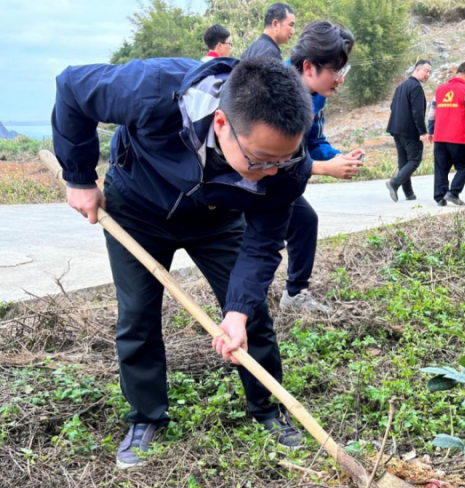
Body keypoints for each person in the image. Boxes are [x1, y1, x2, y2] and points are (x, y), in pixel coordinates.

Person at [52, 57, 314, 467]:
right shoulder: (154, 89)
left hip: (219, 218)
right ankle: (145, 417)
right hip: (137, 208)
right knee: (137, 314)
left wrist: (237, 313)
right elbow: (72, 87)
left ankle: (268, 409)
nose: (271, 171)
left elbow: (263, 244)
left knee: (252, 313)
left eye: (282, 159)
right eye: (260, 160)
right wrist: (80, 178)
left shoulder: (289, 167)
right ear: (223, 124)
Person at [280, 20, 364, 314]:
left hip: (284, 182)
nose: (340, 80)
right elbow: (268, 160)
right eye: (335, 71)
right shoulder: (275, 95)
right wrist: (321, 168)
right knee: (257, 243)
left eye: (343, 71)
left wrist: (337, 157)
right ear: (308, 67)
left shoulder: (315, 95)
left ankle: (294, 295)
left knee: (304, 222)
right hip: (250, 183)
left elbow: (314, 139)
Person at [426, 61, 465, 207]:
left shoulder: (440, 90)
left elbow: (432, 113)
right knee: (464, 166)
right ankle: (453, 193)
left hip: (440, 137)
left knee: (441, 167)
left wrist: (430, 130)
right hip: (459, 137)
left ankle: (440, 198)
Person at [385, 59, 432, 202]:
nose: (428, 75)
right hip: (410, 131)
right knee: (414, 160)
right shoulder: (416, 87)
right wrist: (423, 132)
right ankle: (394, 183)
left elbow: (393, 106)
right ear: (417, 69)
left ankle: (409, 193)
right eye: (426, 71)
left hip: (396, 130)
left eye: (430, 72)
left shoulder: (401, 87)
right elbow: (418, 112)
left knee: (404, 162)